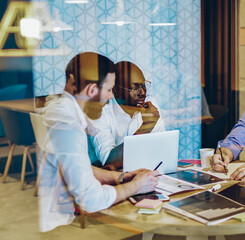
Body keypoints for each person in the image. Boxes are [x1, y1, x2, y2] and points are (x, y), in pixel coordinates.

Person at [37, 52, 159, 232]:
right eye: (110, 90)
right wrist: (135, 186)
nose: (112, 97)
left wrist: (120, 177)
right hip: (59, 229)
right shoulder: (68, 125)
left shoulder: (62, 112)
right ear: (92, 90)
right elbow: (91, 200)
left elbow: (78, 165)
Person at [87, 61, 165, 167]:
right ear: (116, 90)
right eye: (135, 88)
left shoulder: (150, 105)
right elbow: (109, 161)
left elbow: (160, 151)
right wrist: (147, 126)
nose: (142, 93)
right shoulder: (99, 111)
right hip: (108, 179)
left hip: (145, 174)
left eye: (143, 85)